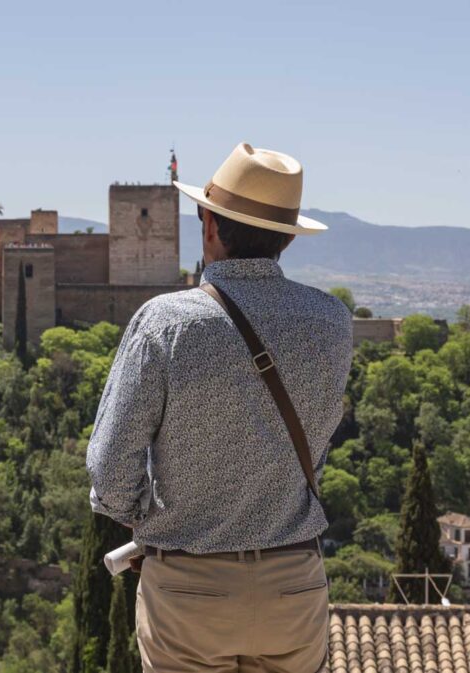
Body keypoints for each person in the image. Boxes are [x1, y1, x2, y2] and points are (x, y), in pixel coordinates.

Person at [86, 143, 354, 672]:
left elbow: (109, 466)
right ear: (286, 238)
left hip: (189, 591)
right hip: (293, 586)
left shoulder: (165, 323)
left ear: (210, 225)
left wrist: (153, 523)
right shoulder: (332, 322)